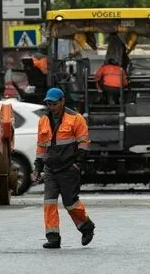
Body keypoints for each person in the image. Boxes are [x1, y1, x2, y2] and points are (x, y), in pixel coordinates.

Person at [32, 88, 95, 249]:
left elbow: (84, 144)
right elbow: (41, 146)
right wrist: (38, 168)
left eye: (54, 103)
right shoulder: (43, 120)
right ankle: (53, 237)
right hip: (50, 169)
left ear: (62, 102)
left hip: (68, 168)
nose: (51, 106)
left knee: (71, 204)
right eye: (49, 103)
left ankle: (86, 227)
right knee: (49, 203)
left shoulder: (76, 119)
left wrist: (77, 164)